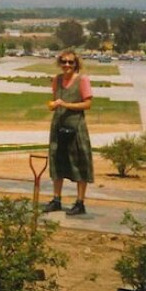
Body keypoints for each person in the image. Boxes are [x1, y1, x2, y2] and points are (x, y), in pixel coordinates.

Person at [45, 50, 95, 216]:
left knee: (79, 163)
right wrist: (54, 105)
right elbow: (54, 99)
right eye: (64, 62)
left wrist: (66, 105)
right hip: (58, 125)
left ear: (76, 64)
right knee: (57, 161)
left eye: (70, 62)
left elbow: (87, 104)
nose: (67, 65)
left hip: (76, 127)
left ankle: (80, 202)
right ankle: (56, 199)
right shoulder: (56, 80)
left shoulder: (82, 80)